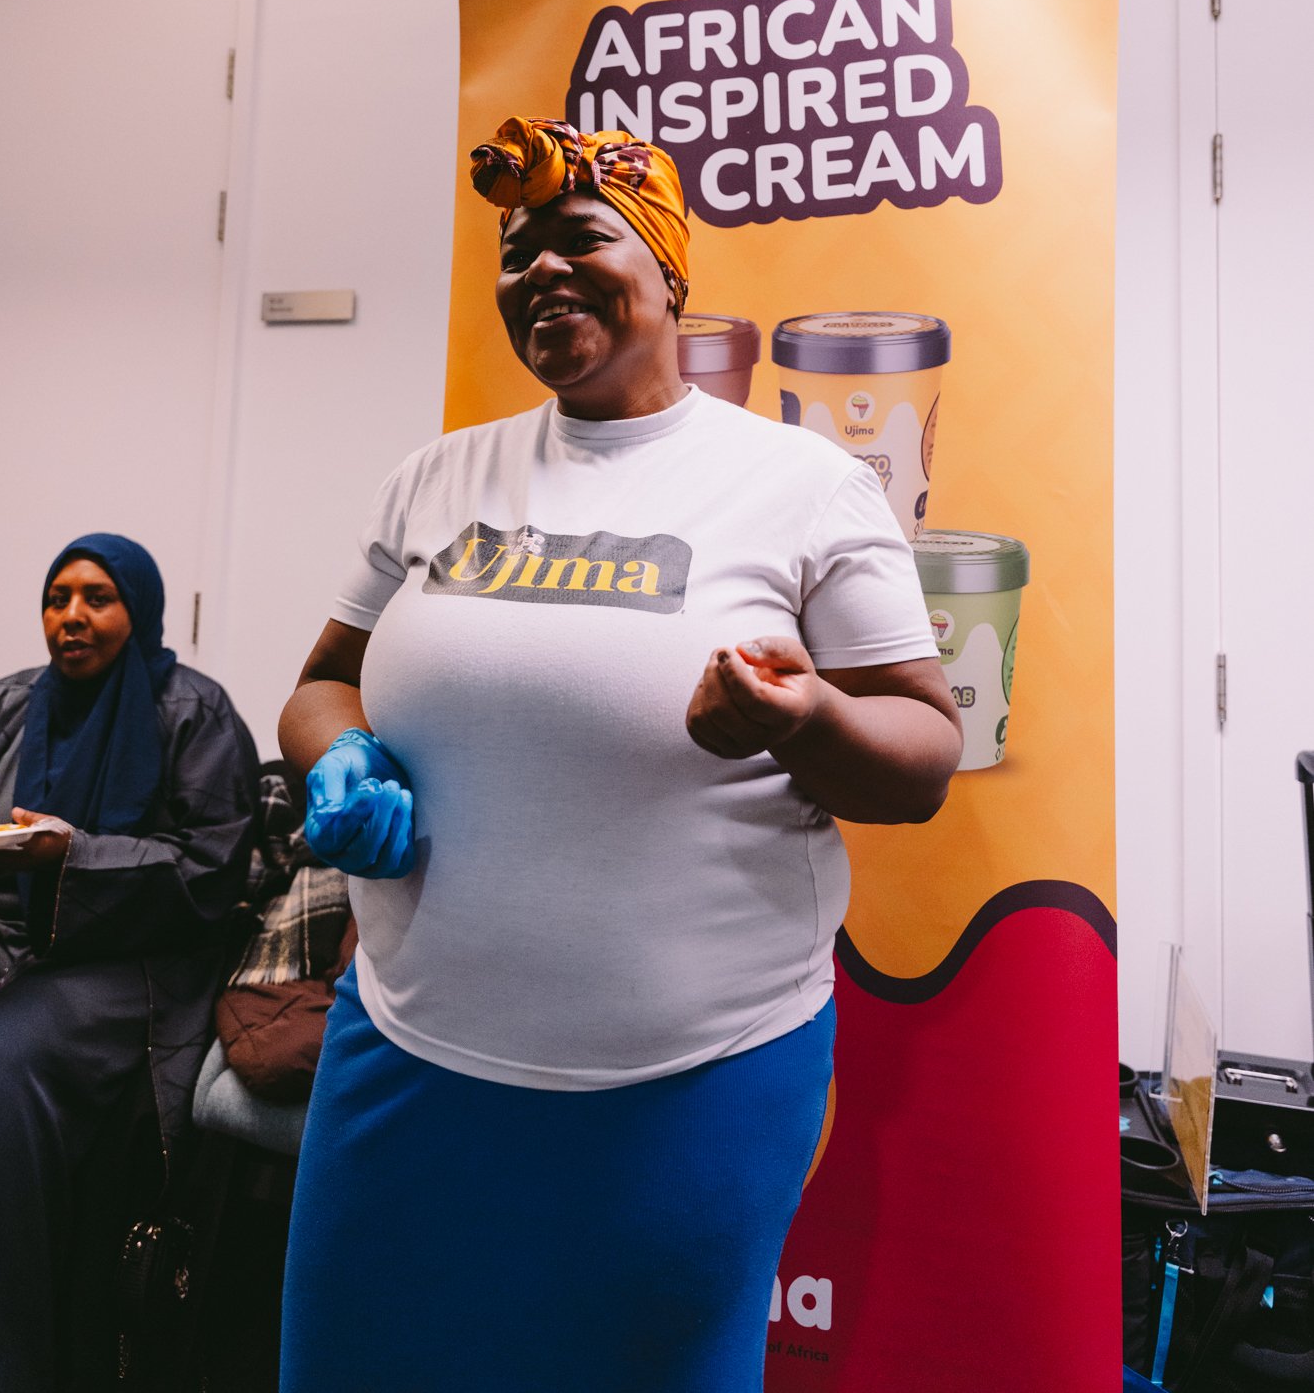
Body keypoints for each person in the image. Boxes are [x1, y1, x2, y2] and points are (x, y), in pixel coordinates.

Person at [278, 117, 962, 1393]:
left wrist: (802, 718)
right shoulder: (438, 477)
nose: (537, 267)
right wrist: (344, 753)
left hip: (688, 1082)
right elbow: (322, 680)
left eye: (579, 235)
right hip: (409, 1057)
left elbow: (921, 750)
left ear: (667, 269)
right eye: (514, 249)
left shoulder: (801, 484)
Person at [0, 533, 259, 1393]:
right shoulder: (10, 701)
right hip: (7, 930)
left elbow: (213, 874)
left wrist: (74, 855)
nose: (71, 617)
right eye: (56, 597)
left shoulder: (193, 710)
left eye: (96, 597)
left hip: (133, 960)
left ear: (136, 610)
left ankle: (5, 1356)